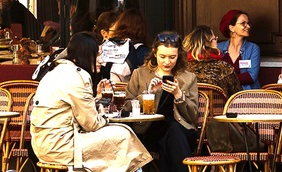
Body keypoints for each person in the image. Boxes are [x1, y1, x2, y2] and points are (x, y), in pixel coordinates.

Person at [30, 32, 152, 172]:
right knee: (123, 135)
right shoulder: (78, 76)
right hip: (61, 146)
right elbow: (92, 124)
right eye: (98, 54)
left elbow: (69, 110)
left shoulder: (57, 71)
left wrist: (96, 100)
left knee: (119, 138)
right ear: (86, 54)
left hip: (44, 144)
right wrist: (104, 116)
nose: (102, 60)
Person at [126, 31, 199, 172]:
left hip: (181, 130)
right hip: (148, 130)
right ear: (154, 53)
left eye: (172, 57)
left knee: (172, 131)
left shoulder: (188, 78)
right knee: (170, 136)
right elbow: (127, 107)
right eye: (162, 56)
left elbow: (192, 116)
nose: (167, 62)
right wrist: (148, 94)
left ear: (179, 55)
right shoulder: (140, 74)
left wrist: (178, 94)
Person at [183, 25, 242, 152]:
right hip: (220, 130)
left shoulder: (182, 70)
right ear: (207, 42)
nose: (217, 40)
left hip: (187, 126)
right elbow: (238, 97)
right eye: (214, 38)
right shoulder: (223, 68)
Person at [217, 9, 261, 89]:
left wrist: (224, 79)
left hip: (247, 95)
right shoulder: (218, 48)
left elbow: (251, 77)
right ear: (232, 28)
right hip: (222, 95)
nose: (248, 26)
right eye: (243, 23)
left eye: (248, 23)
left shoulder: (253, 49)